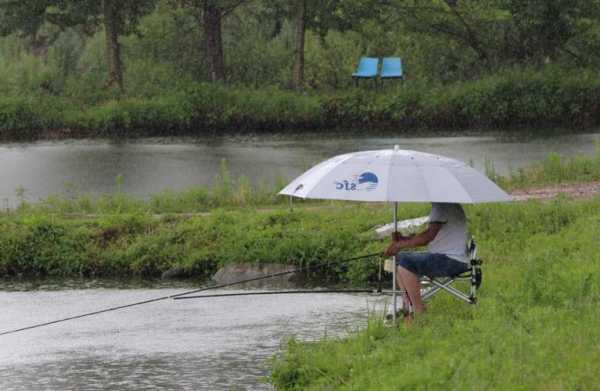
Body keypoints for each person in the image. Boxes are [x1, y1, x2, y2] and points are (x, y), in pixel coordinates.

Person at [384, 202, 470, 319]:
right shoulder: (447, 204)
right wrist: (404, 240)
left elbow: (428, 237)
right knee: (398, 259)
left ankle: (419, 311)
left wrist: (399, 245)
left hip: (451, 261)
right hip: (450, 258)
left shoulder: (441, 206)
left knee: (406, 262)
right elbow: (429, 234)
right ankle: (407, 307)